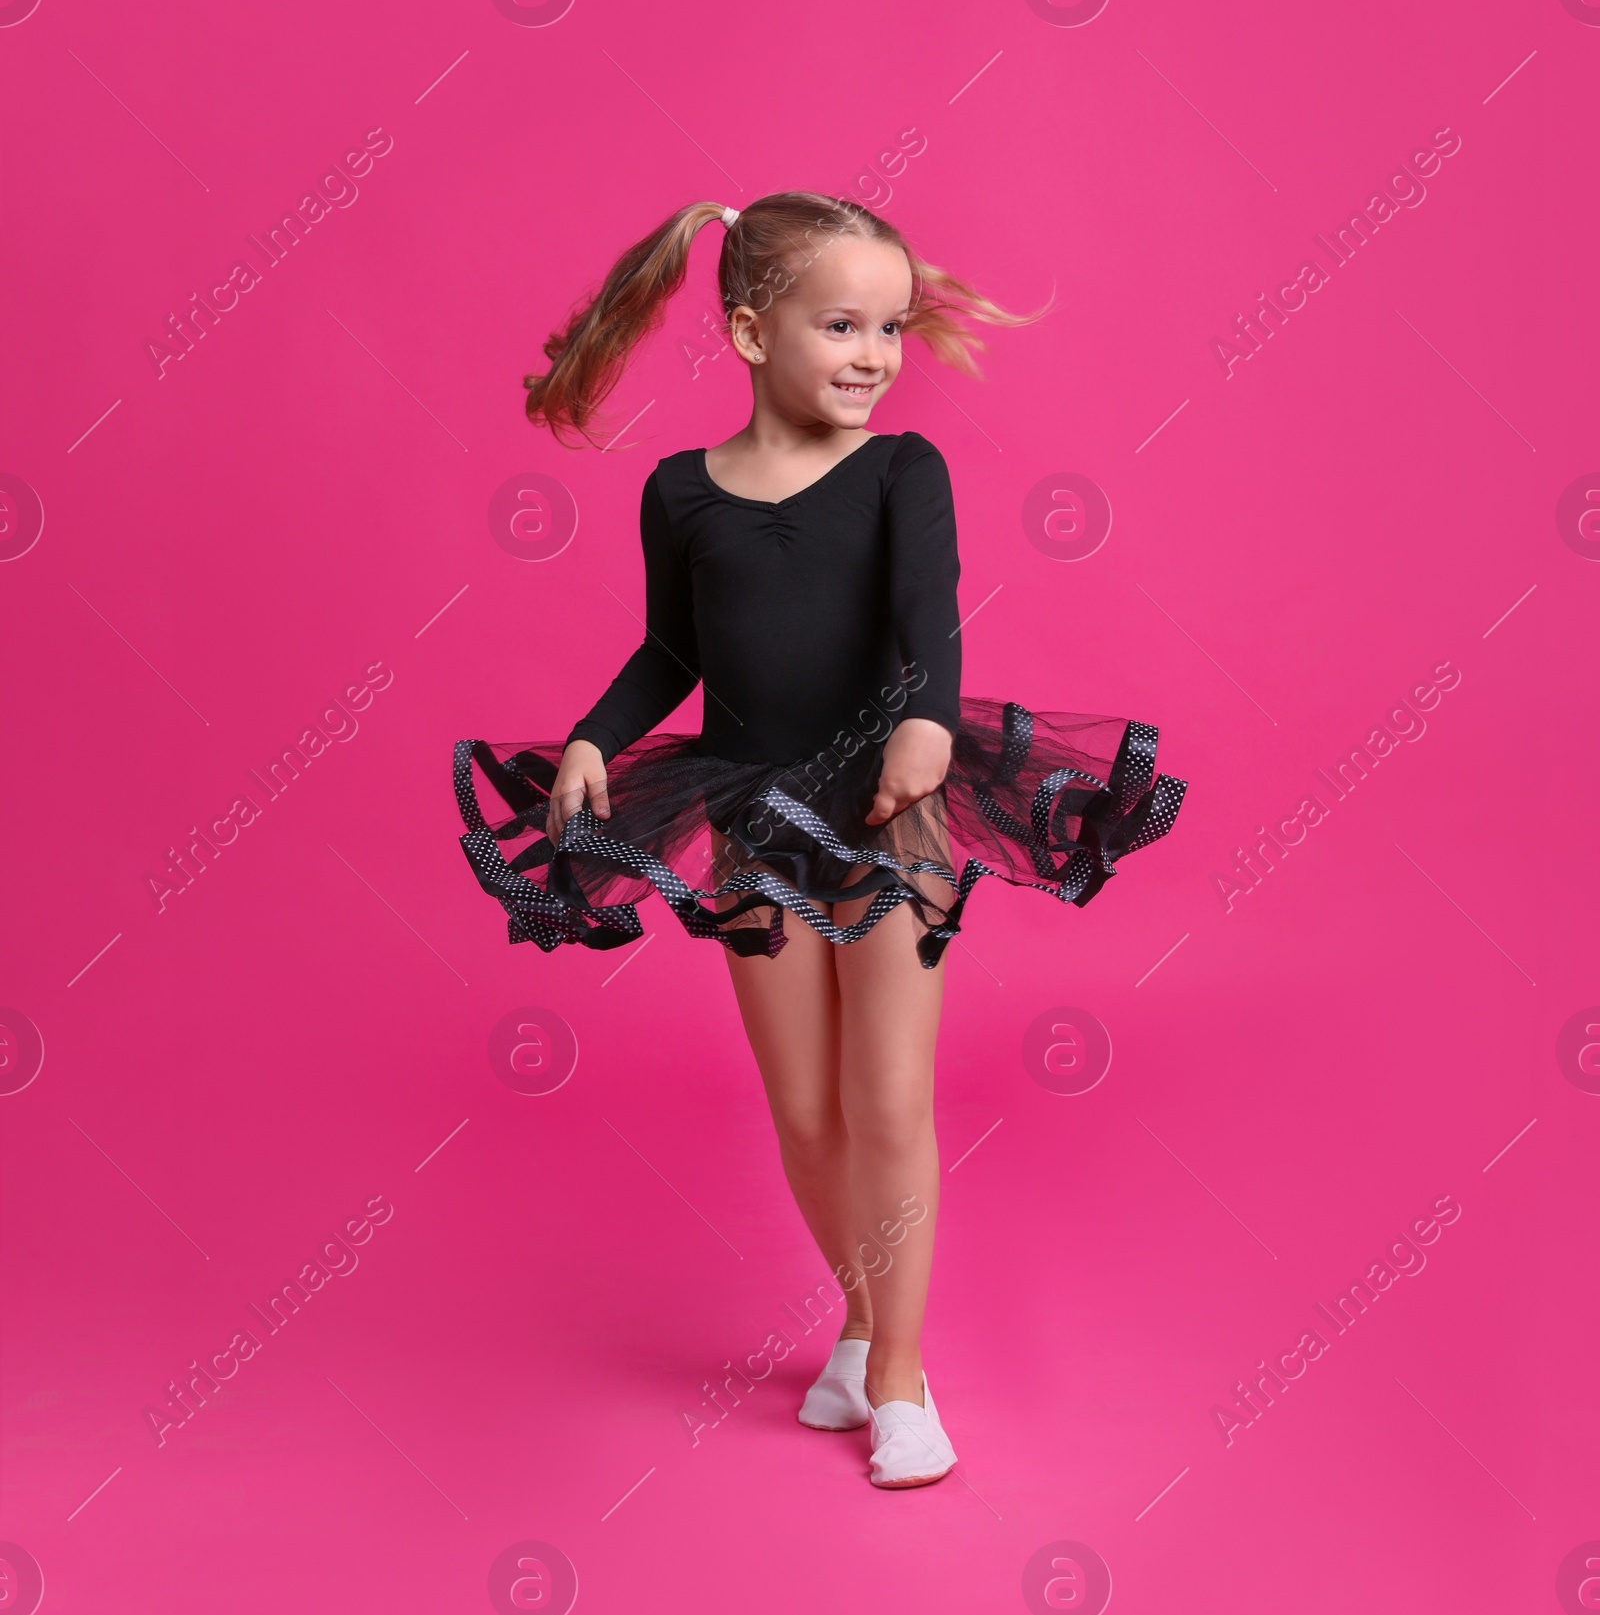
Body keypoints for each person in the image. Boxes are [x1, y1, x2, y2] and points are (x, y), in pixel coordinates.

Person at [454, 193, 1186, 1487]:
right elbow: (670, 652)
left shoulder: (905, 471)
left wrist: (924, 728)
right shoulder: (681, 492)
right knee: (806, 1107)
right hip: (744, 806)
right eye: (841, 323)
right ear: (749, 330)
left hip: (888, 809)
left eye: (891, 326)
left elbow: (930, 620)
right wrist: (586, 735)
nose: (874, 352)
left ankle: (901, 1379)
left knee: (888, 1095)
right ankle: (860, 1324)